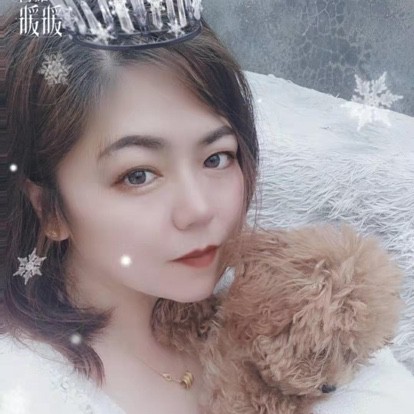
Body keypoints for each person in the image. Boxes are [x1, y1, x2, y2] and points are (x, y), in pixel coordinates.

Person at [2, 1, 414, 414]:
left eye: (216, 158)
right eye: (138, 175)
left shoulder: (298, 329)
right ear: (48, 208)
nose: (198, 210)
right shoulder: (27, 391)